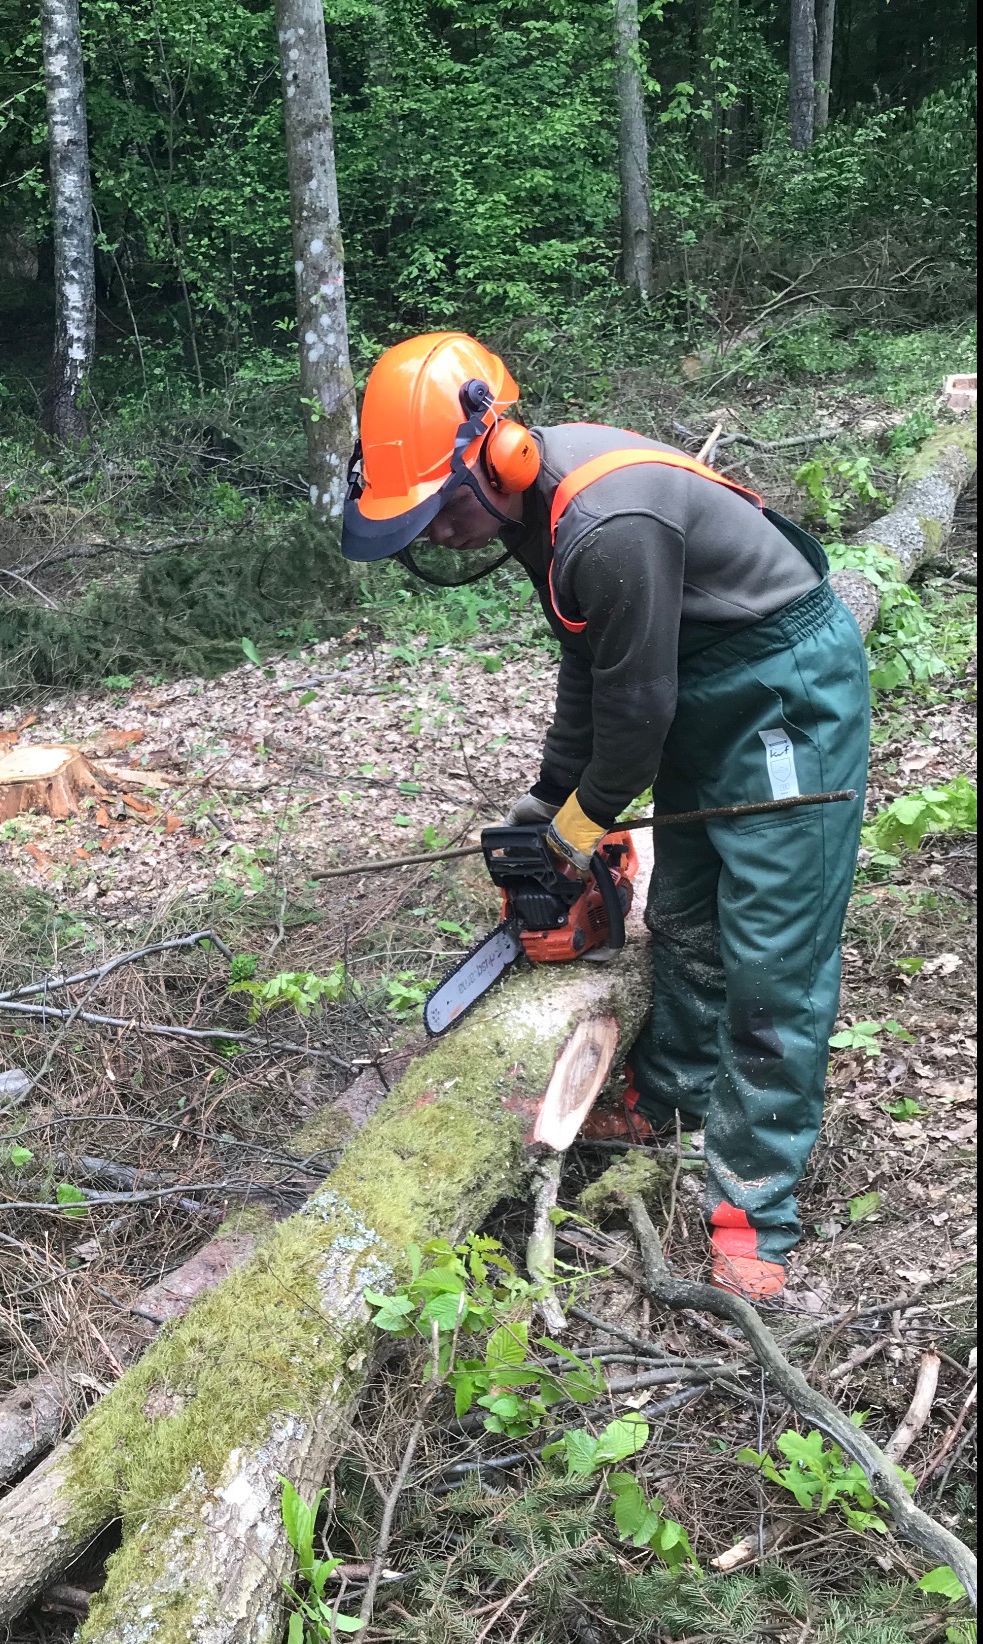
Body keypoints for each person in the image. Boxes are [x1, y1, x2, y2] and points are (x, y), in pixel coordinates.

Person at [339, 332, 870, 1303]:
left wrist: (581, 828)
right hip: (697, 687)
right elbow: (592, 670)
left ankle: (754, 1211)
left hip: (778, 688)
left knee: (773, 954)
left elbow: (633, 720)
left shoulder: (604, 525)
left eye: (440, 507)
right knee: (684, 913)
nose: (435, 533)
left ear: (497, 455)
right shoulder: (540, 517)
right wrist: (546, 801)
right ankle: (668, 1096)